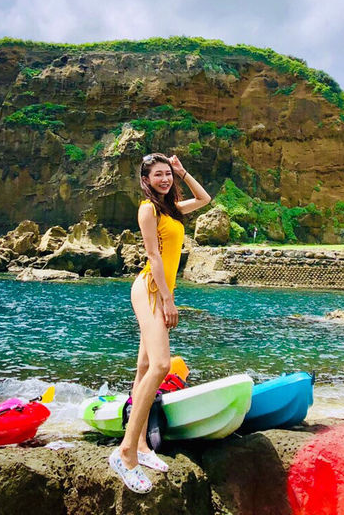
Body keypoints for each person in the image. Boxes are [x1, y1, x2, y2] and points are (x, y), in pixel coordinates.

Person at [108, 152, 212, 493]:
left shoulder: (172, 210)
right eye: (159, 175)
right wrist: (168, 300)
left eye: (168, 174)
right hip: (150, 289)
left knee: (143, 368)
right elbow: (153, 256)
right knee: (162, 366)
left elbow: (205, 199)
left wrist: (183, 172)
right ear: (146, 179)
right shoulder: (147, 209)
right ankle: (125, 453)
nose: (165, 179)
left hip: (161, 290)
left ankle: (139, 444)